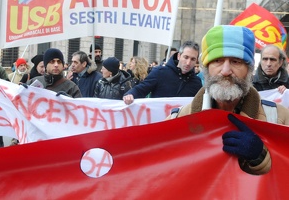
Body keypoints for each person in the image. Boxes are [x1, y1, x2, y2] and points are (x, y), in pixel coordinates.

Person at [167, 25, 289, 175]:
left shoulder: (279, 118)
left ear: (249, 70)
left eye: (236, 62)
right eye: (217, 60)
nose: (225, 71)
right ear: (206, 68)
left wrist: (260, 158)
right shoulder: (178, 119)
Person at [123, 41, 202, 105]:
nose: (188, 63)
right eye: (186, 57)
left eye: (193, 59)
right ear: (179, 56)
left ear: (196, 61)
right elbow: (141, 89)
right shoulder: (160, 73)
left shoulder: (196, 82)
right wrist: (130, 94)